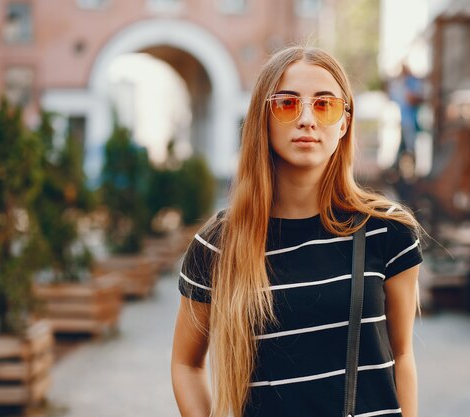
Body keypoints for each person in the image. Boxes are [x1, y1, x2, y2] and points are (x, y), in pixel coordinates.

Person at [171, 46, 423, 417]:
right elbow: (186, 364)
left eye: (325, 105)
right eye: (287, 105)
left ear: (344, 123)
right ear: (263, 118)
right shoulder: (218, 245)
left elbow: (401, 355)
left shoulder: (389, 231)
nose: (307, 119)